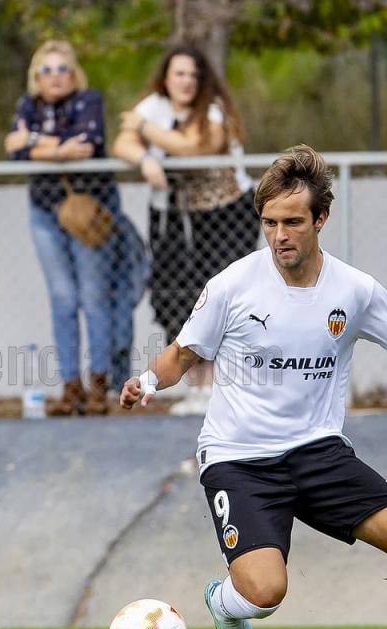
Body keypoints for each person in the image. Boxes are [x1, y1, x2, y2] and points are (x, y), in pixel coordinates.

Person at [119, 145, 387, 629]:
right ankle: (225, 604)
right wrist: (148, 381)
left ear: (321, 219)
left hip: (317, 451)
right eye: (268, 223)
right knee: (264, 593)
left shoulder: (355, 290)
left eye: (292, 222)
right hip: (239, 458)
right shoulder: (232, 286)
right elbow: (183, 353)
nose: (279, 235)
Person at [113, 46, 258, 416]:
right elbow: (121, 142)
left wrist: (145, 131)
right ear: (166, 76)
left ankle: (226, 389)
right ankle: (199, 388)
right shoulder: (156, 106)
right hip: (174, 215)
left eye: (193, 75)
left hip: (225, 213)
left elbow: (195, 148)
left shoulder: (212, 109)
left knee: (223, 299)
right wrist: (144, 158)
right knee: (176, 297)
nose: (186, 82)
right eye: (179, 74)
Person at [6, 40, 148, 415]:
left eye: (62, 69)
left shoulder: (89, 101)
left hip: (90, 213)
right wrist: (55, 147)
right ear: (36, 76)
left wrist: (33, 142)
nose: (55, 77)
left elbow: (87, 144)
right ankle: (70, 389)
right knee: (63, 299)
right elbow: (12, 147)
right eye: (47, 70)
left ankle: (98, 384)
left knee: (93, 297)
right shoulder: (27, 105)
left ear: (74, 74)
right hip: (46, 212)